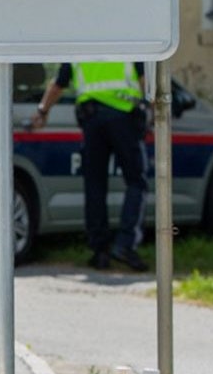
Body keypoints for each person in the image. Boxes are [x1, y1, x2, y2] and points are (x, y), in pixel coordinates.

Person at [30, 63, 149, 271]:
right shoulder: (127, 37)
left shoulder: (82, 44)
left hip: (92, 119)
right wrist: (156, 108)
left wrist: (42, 110)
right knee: (136, 181)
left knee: (95, 185)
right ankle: (125, 244)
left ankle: (100, 251)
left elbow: (58, 84)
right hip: (124, 117)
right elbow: (145, 81)